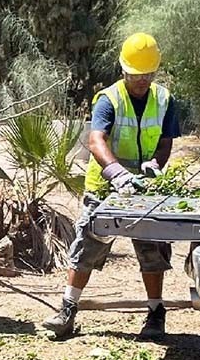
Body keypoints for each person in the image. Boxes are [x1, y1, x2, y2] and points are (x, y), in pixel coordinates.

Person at [42, 32, 190, 339]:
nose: (142, 80)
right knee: (87, 245)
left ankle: (155, 314)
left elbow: (164, 143)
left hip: (146, 190)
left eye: (148, 74)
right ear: (123, 70)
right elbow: (96, 140)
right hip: (106, 186)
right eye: (136, 74)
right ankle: (67, 309)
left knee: (152, 250)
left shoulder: (164, 100)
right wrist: (117, 173)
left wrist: (155, 165)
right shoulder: (109, 99)